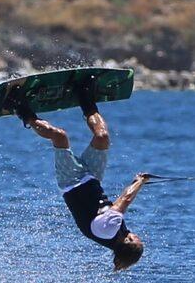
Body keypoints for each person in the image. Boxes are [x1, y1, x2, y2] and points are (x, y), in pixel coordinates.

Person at [9, 78, 148, 271]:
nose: (137, 236)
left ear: (127, 241)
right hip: (92, 178)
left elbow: (125, 200)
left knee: (59, 136)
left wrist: (139, 181)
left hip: (72, 181)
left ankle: (19, 107)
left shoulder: (108, 230)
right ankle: (84, 95)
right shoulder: (116, 235)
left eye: (136, 239)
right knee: (102, 137)